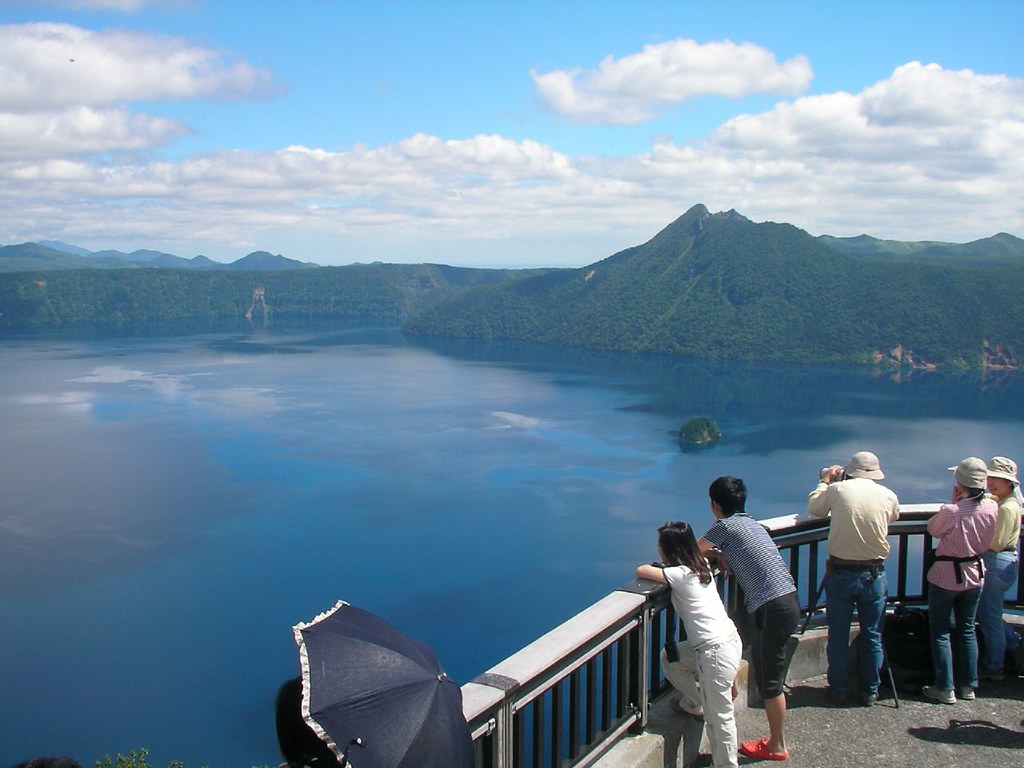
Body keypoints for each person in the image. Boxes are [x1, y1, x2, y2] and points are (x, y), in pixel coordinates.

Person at [697, 476, 799, 762]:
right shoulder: (752, 524)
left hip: (773, 608)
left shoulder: (725, 526)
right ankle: (775, 740)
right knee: (768, 672)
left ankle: (777, 745)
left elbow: (691, 550)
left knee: (770, 680)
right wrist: (721, 552)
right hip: (787, 600)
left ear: (714, 505)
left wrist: (715, 551)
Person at [637, 522, 743, 768]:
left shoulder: (679, 575)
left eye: (659, 545)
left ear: (670, 549)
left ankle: (727, 765)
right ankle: (695, 703)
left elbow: (641, 569)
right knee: (671, 658)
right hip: (727, 641)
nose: (657, 548)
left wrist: (662, 567)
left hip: (714, 651)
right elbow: (700, 553)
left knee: (719, 718)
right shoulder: (702, 566)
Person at [806, 450, 900, 706]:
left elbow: (814, 507)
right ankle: (870, 690)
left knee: (838, 633)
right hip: (874, 574)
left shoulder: (838, 490)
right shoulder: (888, 495)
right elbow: (892, 516)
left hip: (841, 573)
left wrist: (826, 480)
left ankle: (838, 688)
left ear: (850, 470)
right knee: (872, 634)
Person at [922, 457, 998, 704]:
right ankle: (969, 686)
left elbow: (933, 529)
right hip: (975, 574)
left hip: (945, 576)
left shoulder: (952, 511)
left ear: (960, 484)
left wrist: (955, 502)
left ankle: (944, 687)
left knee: (941, 632)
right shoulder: (992, 507)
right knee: (967, 630)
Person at [977, 456, 1021, 680]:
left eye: (997, 479)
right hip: (1003, 563)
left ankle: (995, 666)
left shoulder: (1007, 508)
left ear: (1009, 482)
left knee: (989, 617)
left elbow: (997, 543)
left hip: (996, 561)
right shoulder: (1008, 501)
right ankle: (1012, 642)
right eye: (990, 477)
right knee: (990, 612)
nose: (991, 482)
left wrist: (975, 538)